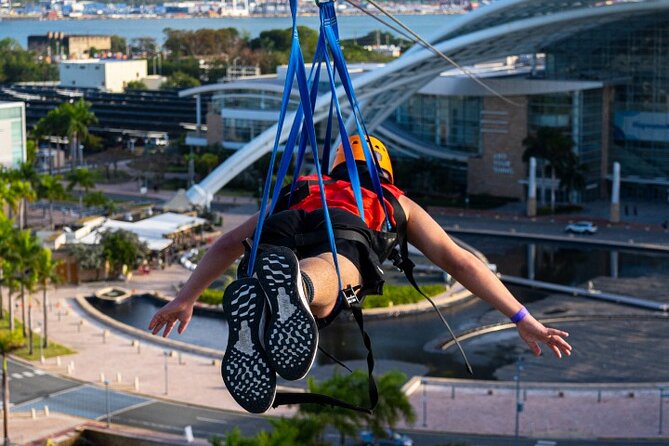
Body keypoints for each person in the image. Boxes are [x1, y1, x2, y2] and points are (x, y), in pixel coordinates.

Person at [149, 134, 572, 414]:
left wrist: (185, 297)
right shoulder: (392, 200)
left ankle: (261, 319)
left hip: (283, 227)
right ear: (385, 171)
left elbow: (225, 244)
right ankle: (299, 285)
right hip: (345, 229)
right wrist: (522, 317)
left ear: (335, 164)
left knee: (278, 286)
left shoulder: (303, 186)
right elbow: (459, 261)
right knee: (337, 275)